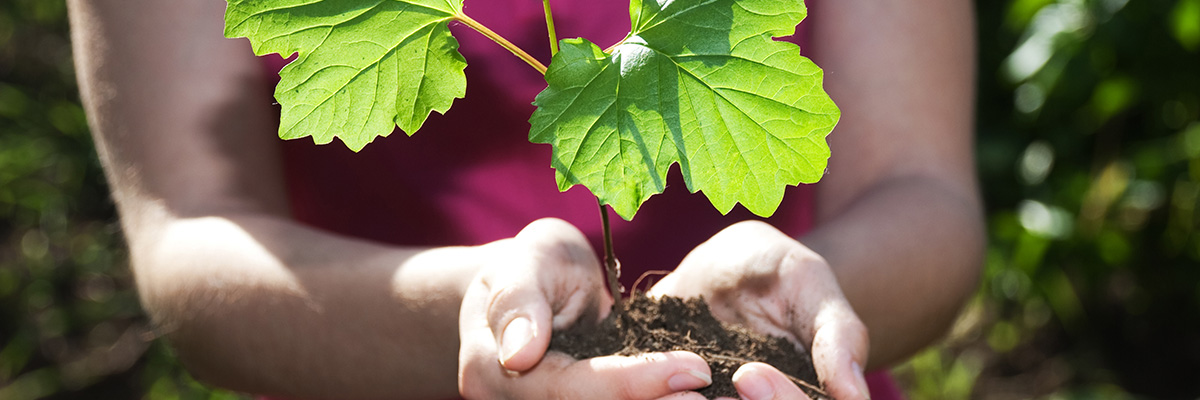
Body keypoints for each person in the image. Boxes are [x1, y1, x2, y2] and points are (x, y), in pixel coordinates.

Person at [67, 0, 982, 398]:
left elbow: (925, 196)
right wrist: (497, 321)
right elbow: (191, 244)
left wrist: (770, 323)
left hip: (763, 384)